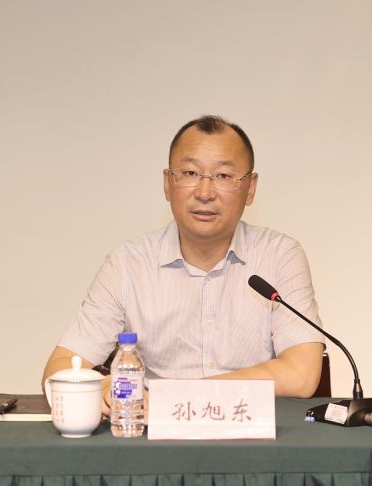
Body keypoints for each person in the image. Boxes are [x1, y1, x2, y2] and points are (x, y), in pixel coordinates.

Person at [42, 115, 325, 414]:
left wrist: (181, 396)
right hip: (154, 435)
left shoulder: (279, 256)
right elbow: (59, 368)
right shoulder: (127, 264)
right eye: (190, 173)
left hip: (249, 431)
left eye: (223, 176)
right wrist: (99, 387)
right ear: (168, 183)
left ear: (250, 188)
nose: (205, 193)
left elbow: (302, 375)